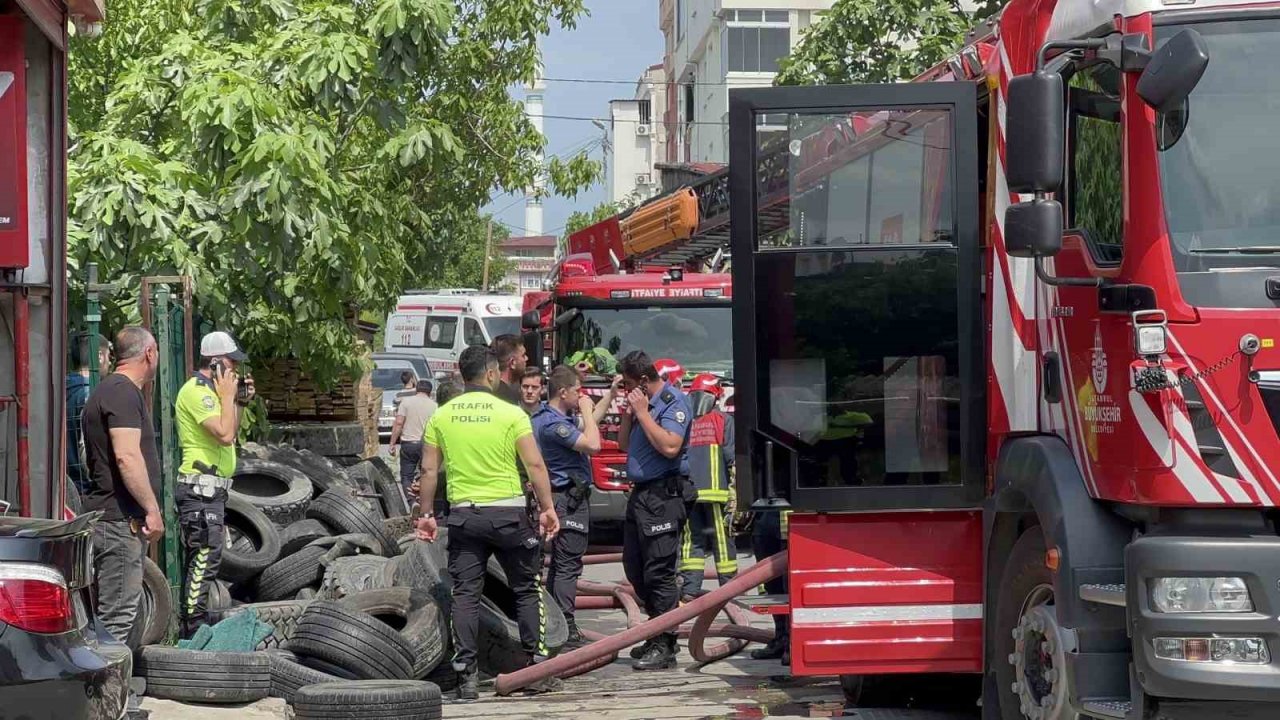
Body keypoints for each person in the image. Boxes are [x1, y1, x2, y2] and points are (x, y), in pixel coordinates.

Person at [414, 345, 561, 700]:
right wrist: (547, 508)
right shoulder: (511, 414)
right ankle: (536, 670)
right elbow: (535, 465)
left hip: (465, 516)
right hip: (509, 516)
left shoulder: (441, 416)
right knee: (526, 590)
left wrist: (426, 515)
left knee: (465, 595)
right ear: (492, 374)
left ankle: (466, 678)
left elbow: (429, 471)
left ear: (462, 376)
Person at [82, 326, 164, 649]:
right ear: (149, 353)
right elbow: (127, 457)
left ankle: (112, 680)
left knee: (115, 619)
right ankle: (105, 683)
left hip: (112, 521)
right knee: (115, 621)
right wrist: (152, 510)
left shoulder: (109, 391)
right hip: (118, 523)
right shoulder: (122, 393)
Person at [174, 330, 254, 638]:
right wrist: (228, 396)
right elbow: (224, 433)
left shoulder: (216, 393)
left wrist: (239, 402)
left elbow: (231, 430)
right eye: (232, 365)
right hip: (200, 489)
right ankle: (192, 630)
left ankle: (196, 625)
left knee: (210, 557)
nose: (236, 372)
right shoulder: (198, 393)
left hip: (213, 489)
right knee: (204, 558)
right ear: (216, 363)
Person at [617, 350, 693, 671]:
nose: (626, 390)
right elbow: (623, 445)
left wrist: (643, 413)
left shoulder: (674, 402)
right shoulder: (642, 405)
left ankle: (665, 642)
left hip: (664, 495)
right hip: (641, 496)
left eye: (629, 385)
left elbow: (671, 446)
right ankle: (655, 631)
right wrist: (628, 414)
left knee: (659, 572)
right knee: (634, 567)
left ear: (645, 381)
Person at [531, 365, 610, 648]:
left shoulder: (549, 417)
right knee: (567, 564)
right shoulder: (554, 425)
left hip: (563, 499)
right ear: (563, 392)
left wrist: (610, 394)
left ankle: (556, 623)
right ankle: (565, 626)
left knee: (559, 565)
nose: (582, 395)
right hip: (567, 499)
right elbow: (593, 444)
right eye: (578, 390)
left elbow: (590, 425)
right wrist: (587, 410)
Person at [678, 373, 737, 601]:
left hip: (689, 492)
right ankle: (728, 588)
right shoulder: (723, 420)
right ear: (716, 396)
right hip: (717, 493)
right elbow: (731, 458)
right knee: (721, 540)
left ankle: (689, 589)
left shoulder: (683, 421)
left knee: (691, 540)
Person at [67, 332, 111, 494]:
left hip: (65, 483)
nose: (110, 362)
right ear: (99, 356)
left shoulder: (61, 390)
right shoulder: (90, 394)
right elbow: (86, 446)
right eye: (109, 356)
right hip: (86, 488)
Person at [750, 509, 791, 665]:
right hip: (765, 517)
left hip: (790, 521)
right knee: (773, 587)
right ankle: (780, 639)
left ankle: (791, 643)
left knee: (790, 589)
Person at [389, 378, 437, 501]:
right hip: (427, 445)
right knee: (425, 474)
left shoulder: (406, 402)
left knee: (407, 476)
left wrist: (392, 443)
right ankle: (423, 501)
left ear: (416, 390)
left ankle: (412, 502)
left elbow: (399, 423)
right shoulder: (435, 406)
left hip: (408, 444)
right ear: (430, 392)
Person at [491, 333, 528, 406]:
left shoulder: (487, 389)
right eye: (523, 355)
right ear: (512, 363)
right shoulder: (506, 399)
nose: (527, 358)